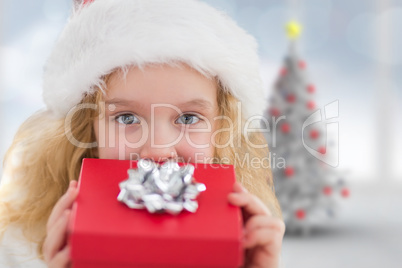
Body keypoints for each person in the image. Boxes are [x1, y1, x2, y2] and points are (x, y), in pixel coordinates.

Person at [0, 0, 285, 267]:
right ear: (88, 128)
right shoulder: (25, 245)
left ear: (220, 130)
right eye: (126, 118)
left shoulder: (243, 237)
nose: (159, 150)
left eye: (188, 118)